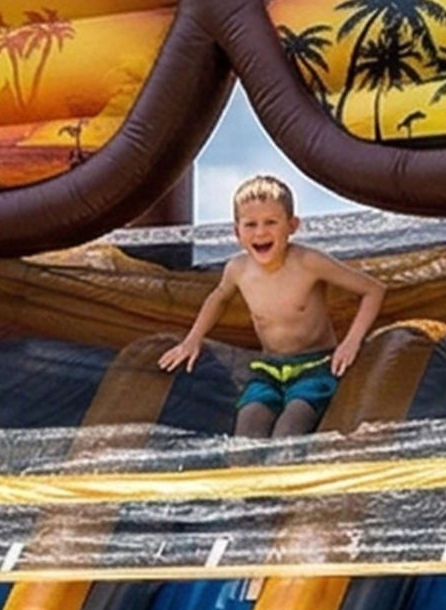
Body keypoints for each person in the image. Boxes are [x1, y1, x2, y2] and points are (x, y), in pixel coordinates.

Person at [154, 174, 387, 440]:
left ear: (292, 225)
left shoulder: (308, 262)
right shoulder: (238, 270)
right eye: (250, 224)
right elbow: (218, 298)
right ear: (236, 232)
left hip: (316, 365)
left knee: (288, 433)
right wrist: (192, 340)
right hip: (268, 370)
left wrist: (351, 342)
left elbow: (373, 290)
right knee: (246, 438)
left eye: (271, 222)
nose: (260, 232)